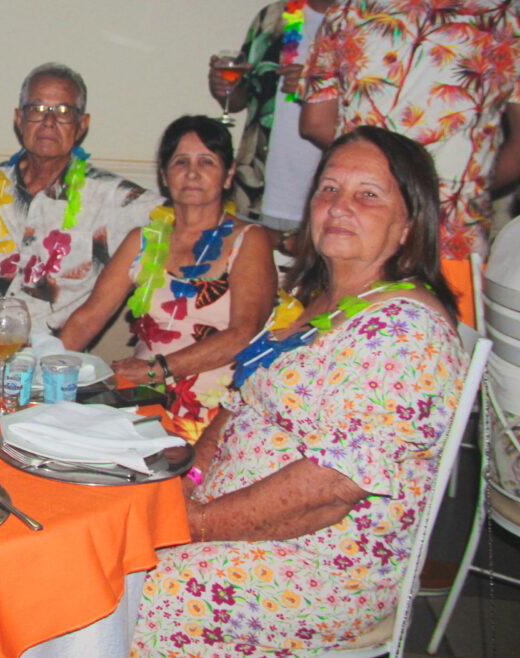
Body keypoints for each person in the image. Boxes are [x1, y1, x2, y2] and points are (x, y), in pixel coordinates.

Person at [131, 127, 466, 655]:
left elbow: (331, 489)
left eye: (368, 194)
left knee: (123, 588)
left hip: (317, 564)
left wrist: (196, 523)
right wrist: (188, 479)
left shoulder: (406, 331)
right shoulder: (315, 301)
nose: (340, 206)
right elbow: (236, 406)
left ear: (410, 225)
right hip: (232, 520)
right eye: (328, 189)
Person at [299, 0, 520, 327]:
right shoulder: (504, 17)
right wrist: (461, 187)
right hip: (452, 237)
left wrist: (370, 179)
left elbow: (315, 122)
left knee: (330, 363)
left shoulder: (349, 10)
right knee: (443, 365)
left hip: (354, 230)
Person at [60, 116, 276, 442]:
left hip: (218, 415)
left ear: (229, 174)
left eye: (207, 161)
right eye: (180, 162)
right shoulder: (142, 240)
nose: (192, 173)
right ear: (164, 175)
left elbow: (243, 335)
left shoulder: (250, 241)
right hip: (142, 403)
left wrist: (159, 369)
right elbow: (88, 319)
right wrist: (44, 373)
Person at [0, 62, 161, 333]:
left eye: (64, 111)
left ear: (81, 125)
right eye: (37, 109)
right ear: (20, 119)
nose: (49, 121)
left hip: (50, 360)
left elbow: (192, 220)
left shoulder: (112, 198)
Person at [209, 0, 334, 238]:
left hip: (328, 197)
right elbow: (239, 100)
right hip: (257, 190)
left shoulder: (365, 23)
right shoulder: (272, 17)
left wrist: (314, 86)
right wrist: (226, 88)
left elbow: (373, 110)